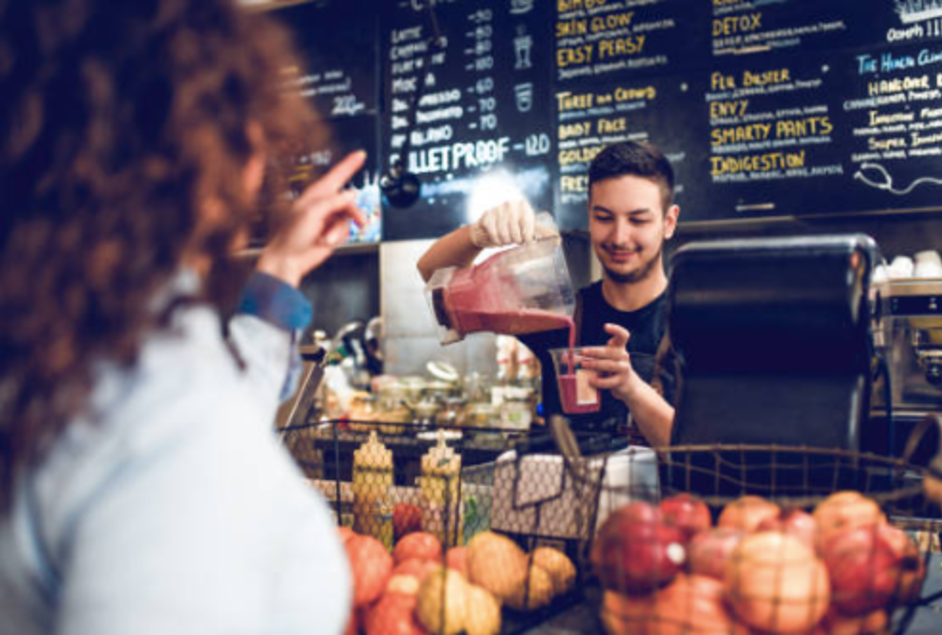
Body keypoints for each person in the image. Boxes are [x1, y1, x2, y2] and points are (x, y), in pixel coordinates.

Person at [0, 2, 366, 633]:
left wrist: (279, 272)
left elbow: (207, 405)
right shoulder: (172, 428)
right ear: (220, 153)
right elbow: (182, 437)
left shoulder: (64, 336)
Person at [417, 141, 679, 448]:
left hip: (666, 497)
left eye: (638, 220)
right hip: (562, 494)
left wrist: (632, 388)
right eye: (604, 217)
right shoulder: (560, 312)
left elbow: (702, 455)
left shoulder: (693, 323)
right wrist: (477, 235)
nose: (619, 236)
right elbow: (433, 278)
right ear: (589, 216)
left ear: (668, 222)